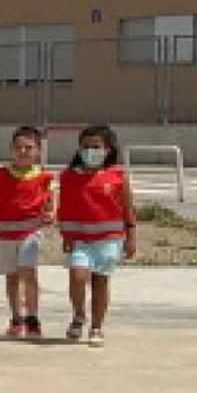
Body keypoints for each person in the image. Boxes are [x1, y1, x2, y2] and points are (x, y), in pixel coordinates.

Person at [0, 125, 55, 338]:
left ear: (37, 151)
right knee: (12, 277)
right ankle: (16, 318)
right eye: (18, 147)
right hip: (4, 235)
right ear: (11, 149)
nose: (23, 151)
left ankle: (32, 318)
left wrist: (53, 214)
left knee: (29, 273)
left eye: (28, 147)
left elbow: (53, 199)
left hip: (30, 234)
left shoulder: (45, 178)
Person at [57, 124, 137, 348]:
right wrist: (66, 234)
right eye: (86, 147)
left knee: (100, 282)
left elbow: (127, 209)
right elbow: (66, 208)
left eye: (96, 147)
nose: (90, 151)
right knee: (78, 277)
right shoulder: (69, 177)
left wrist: (131, 237)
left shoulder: (118, 177)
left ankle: (96, 326)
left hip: (109, 239)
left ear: (108, 149)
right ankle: (79, 314)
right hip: (80, 239)